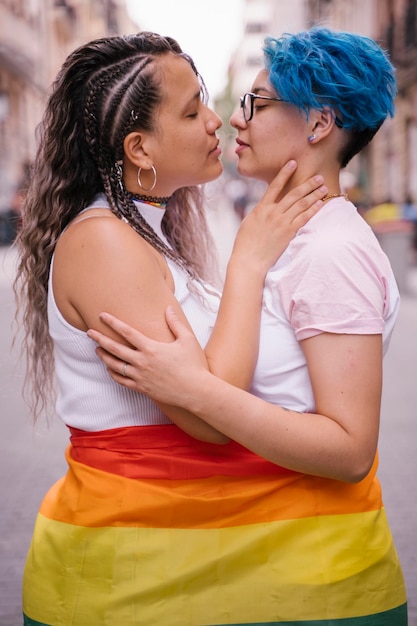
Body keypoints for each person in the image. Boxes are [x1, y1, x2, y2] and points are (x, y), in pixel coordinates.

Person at [88, 28, 408, 624]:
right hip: (282, 564)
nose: (235, 120)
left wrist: (197, 389)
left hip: (323, 574)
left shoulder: (330, 250)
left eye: (256, 104)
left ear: (318, 126)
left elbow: (350, 449)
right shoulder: (296, 238)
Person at [14, 32, 326, 626]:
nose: (217, 122)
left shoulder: (142, 231)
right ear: (140, 148)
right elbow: (210, 416)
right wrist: (249, 262)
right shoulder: (104, 242)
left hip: (169, 559)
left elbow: (202, 385)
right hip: (125, 570)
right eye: (191, 111)